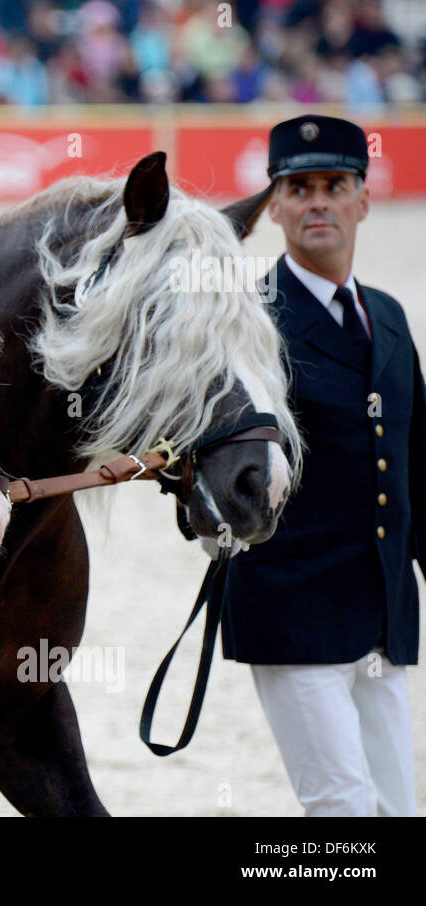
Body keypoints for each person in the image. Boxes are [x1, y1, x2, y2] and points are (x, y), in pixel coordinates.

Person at [222, 114, 419, 817]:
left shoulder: (390, 318)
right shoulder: (246, 319)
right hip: (293, 605)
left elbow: (410, 462)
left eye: (334, 185)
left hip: (383, 614)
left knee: (398, 809)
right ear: (274, 205)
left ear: (363, 199)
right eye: (298, 187)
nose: (316, 202)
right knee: (340, 812)